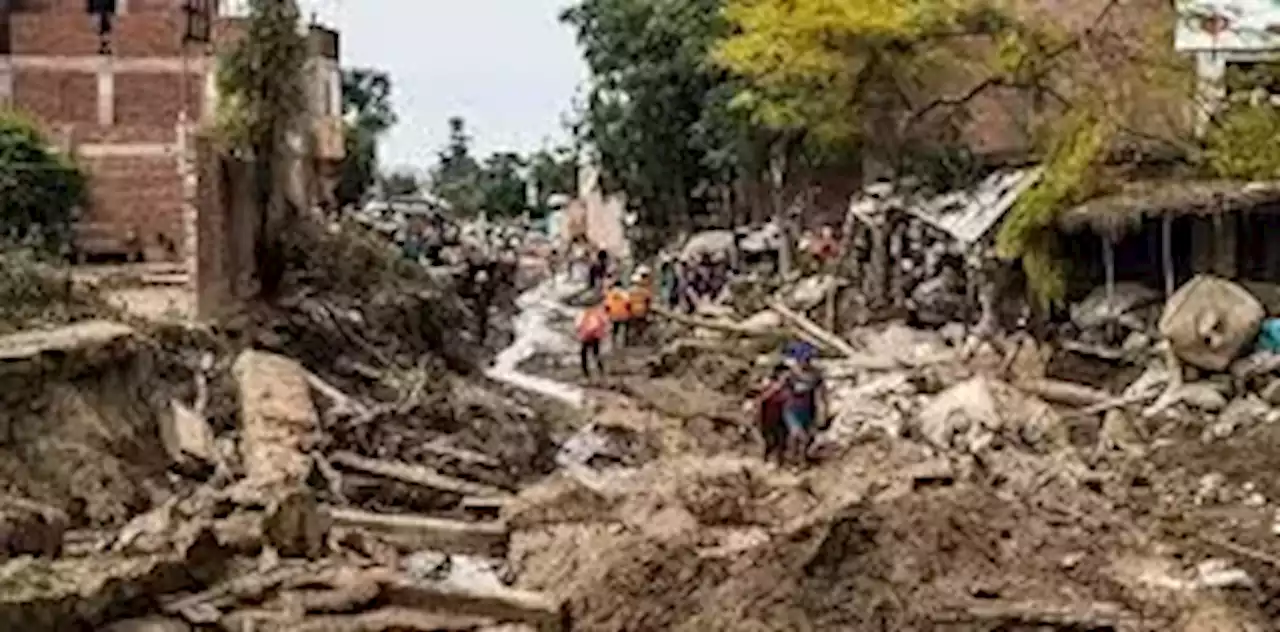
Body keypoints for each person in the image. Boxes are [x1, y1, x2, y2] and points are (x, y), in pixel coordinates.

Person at [781, 341, 825, 465]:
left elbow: (822, 393)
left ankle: (801, 461)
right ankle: (790, 458)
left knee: (808, 437)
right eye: (805, 359)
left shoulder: (816, 375)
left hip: (809, 410)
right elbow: (779, 389)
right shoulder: (791, 374)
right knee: (796, 434)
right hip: (792, 409)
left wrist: (824, 410)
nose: (807, 361)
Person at [755, 362, 791, 463]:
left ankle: (780, 462)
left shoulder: (788, 386)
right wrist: (775, 389)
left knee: (782, 441)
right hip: (769, 417)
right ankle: (765, 460)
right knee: (770, 441)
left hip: (783, 416)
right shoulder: (769, 384)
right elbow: (762, 399)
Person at [575, 294, 609, 379]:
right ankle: (601, 371)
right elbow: (605, 322)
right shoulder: (598, 312)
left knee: (584, 354)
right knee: (596, 353)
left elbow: (578, 325)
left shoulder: (582, 313)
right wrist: (603, 333)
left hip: (585, 336)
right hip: (596, 336)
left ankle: (586, 372)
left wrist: (579, 333)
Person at [628, 269, 653, 343]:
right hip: (642, 311)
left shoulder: (629, 291)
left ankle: (633, 340)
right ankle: (642, 340)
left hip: (633, 311)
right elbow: (648, 301)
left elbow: (627, 303)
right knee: (642, 326)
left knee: (633, 327)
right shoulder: (644, 291)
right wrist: (648, 310)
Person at [604, 279, 631, 347]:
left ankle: (614, 342)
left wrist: (608, 314)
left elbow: (607, 306)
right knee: (626, 328)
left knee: (615, 328)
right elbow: (628, 304)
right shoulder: (625, 293)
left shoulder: (610, 293)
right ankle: (625, 342)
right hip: (624, 314)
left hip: (614, 314)